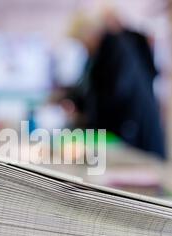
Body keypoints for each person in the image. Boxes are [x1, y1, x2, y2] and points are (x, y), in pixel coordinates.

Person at [66, 12, 166, 159]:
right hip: (125, 130)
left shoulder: (116, 49)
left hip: (134, 132)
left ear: (90, 34)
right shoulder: (101, 53)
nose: (84, 47)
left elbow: (113, 93)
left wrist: (87, 114)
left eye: (83, 42)